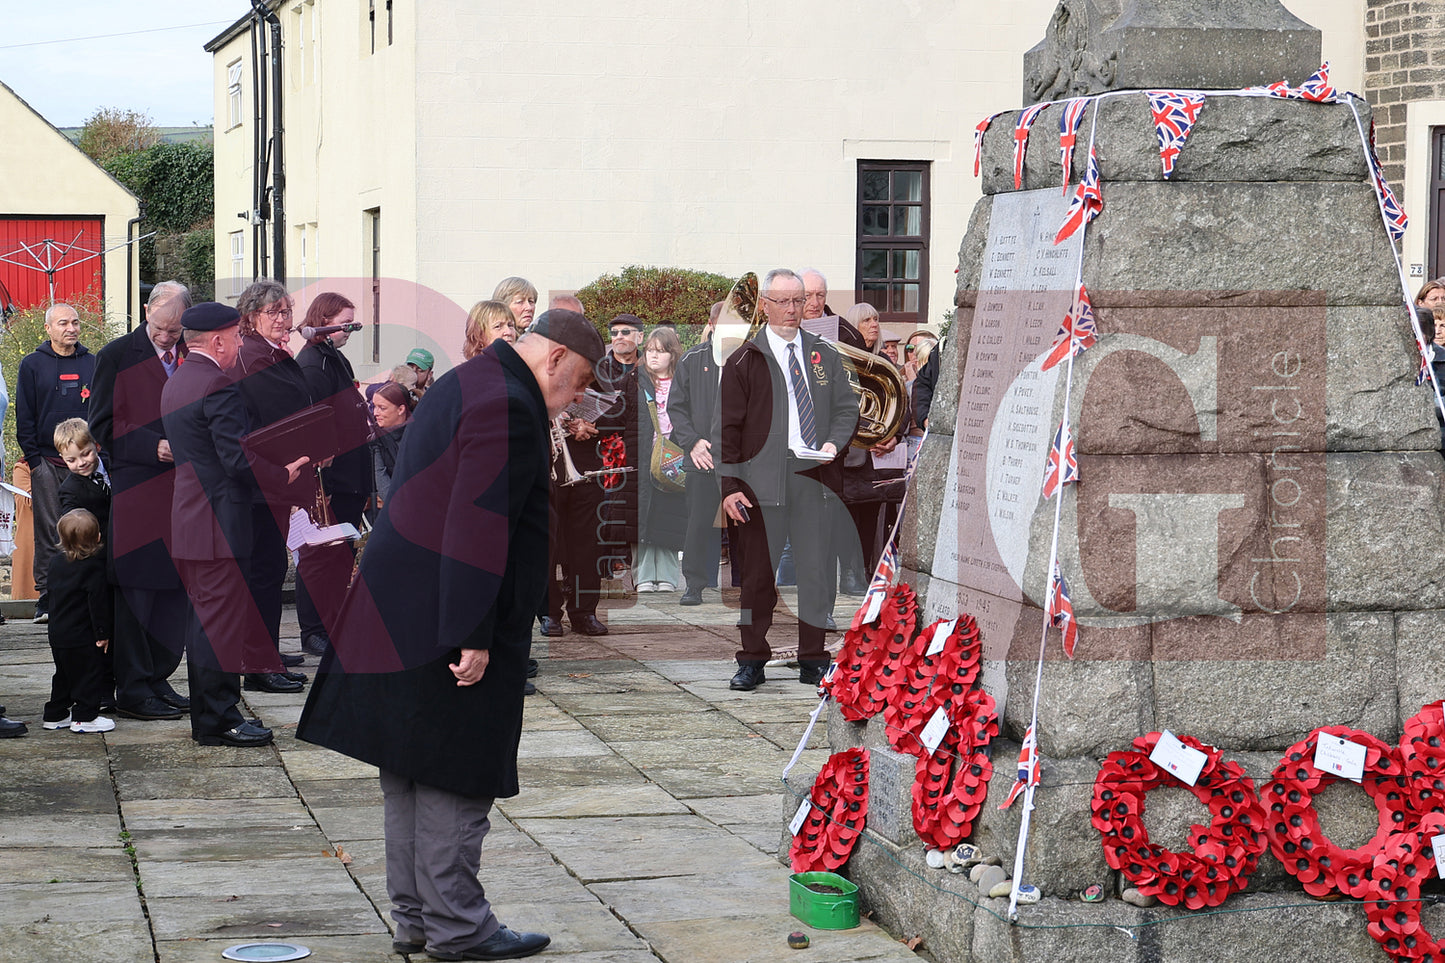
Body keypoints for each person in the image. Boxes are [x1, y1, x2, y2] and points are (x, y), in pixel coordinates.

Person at [296, 309, 603, 962]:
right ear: (552, 360)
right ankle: (458, 927)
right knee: (454, 772)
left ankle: (417, 919)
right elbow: (477, 517)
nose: (577, 396)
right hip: (444, 612)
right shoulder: (511, 403)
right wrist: (473, 629)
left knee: (409, 768)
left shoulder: (470, 379)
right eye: (578, 380)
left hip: (399, 602)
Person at [162, 301, 309, 747]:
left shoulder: (179, 380)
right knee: (219, 626)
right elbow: (234, 458)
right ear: (220, 340)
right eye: (237, 336)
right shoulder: (217, 383)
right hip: (219, 524)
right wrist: (282, 473)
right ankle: (219, 719)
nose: (240, 344)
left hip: (191, 519)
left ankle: (213, 715)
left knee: (204, 624)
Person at [721, 269, 859, 691]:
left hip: (815, 475)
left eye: (798, 301)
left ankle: (814, 658)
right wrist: (728, 488)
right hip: (761, 481)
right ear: (765, 305)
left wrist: (835, 444)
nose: (792, 309)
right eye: (782, 301)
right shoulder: (745, 358)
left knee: (817, 573)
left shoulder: (824, 352)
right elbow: (725, 428)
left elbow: (846, 408)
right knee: (759, 579)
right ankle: (751, 660)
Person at [88, 281, 191, 721]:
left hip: (184, 495)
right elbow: (103, 425)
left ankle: (158, 675)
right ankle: (131, 687)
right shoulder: (116, 355)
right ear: (147, 310)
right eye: (162, 328)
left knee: (173, 591)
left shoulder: (192, 353)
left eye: (176, 330)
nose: (168, 338)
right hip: (139, 491)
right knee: (137, 593)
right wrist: (154, 447)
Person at [233, 280, 314, 692]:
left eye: (287, 311)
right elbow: (282, 415)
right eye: (274, 313)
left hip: (278, 479)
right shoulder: (253, 357)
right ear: (251, 317)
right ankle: (258, 663)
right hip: (261, 482)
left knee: (269, 568)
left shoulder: (271, 352)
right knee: (263, 571)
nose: (285, 319)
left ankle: (266, 654)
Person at [296, 293, 373, 657]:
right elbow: (313, 423)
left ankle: (331, 623)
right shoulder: (313, 364)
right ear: (325, 320)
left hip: (350, 474)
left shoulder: (335, 360)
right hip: (330, 479)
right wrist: (318, 485)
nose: (349, 330)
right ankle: (313, 629)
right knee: (319, 556)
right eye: (344, 321)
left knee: (339, 556)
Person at [16, 302, 97, 624]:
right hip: (47, 461)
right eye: (63, 323)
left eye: (76, 322)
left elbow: (105, 407)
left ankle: (90, 594)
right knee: (50, 530)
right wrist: (34, 460)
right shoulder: (32, 365)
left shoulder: (94, 363)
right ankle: (48, 597)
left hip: (89, 459)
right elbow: (25, 415)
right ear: (48, 328)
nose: (71, 328)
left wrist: (98, 456)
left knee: (92, 525)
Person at [669, 301, 732, 605]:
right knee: (698, 522)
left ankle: (746, 587)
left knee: (745, 525)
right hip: (700, 455)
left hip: (740, 459)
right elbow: (676, 408)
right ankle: (694, 584)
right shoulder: (692, 359)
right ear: (712, 324)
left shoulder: (751, 360)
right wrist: (692, 442)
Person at [619, 327, 688, 592]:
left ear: (673, 354)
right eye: (649, 350)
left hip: (674, 458)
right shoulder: (634, 380)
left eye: (660, 351)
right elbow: (617, 413)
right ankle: (645, 576)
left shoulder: (685, 382)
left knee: (669, 515)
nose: (653, 356)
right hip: (640, 457)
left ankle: (668, 577)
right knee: (642, 516)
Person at [40, 509, 114, 733]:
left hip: (58, 633)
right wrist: (102, 634)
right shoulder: (92, 568)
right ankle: (84, 716)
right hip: (82, 635)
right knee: (88, 675)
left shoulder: (55, 564)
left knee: (63, 675)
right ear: (98, 537)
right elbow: (97, 605)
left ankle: (55, 714)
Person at [370, 381, 413, 511]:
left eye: (382, 408)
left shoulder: (419, 432)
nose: (375, 413)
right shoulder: (375, 437)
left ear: (401, 409)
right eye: (374, 407)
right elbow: (380, 476)